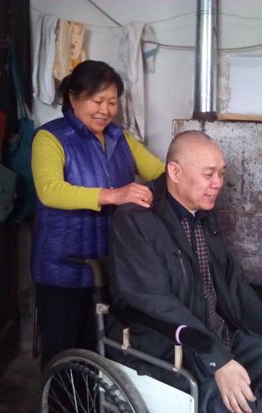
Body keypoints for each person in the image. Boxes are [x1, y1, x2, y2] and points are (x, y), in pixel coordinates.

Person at [108, 130, 262, 413]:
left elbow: (234, 284)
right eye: (208, 174)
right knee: (231, 400)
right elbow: (155, 302)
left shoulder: (204, 215)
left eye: (221, 173)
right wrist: (217, 359)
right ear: (175, 172)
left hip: (217, 337)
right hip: (171, 347)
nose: (217, 183)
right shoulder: (136, 219)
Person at [31, 60, 165, 368]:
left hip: (107, 265)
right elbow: (50, 190)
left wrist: (188, 178)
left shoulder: (121, 138)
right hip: (61, 267)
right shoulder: (50, 138)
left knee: (101, 347)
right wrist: (114, 195)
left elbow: (158, 171)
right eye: (97, 100)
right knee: (63, 350)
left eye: (112, 102)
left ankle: (92, 394)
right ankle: (58, 395)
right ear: (74, 98)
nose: (105, 110)